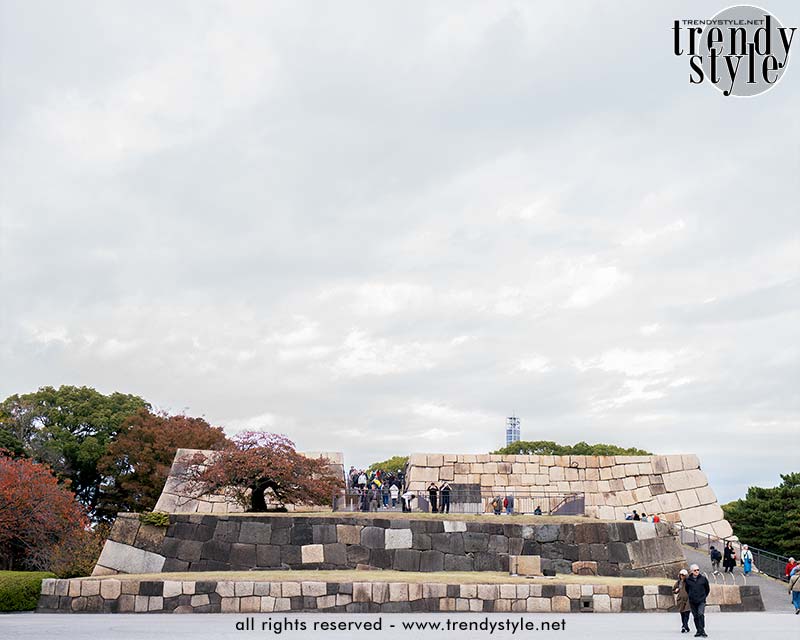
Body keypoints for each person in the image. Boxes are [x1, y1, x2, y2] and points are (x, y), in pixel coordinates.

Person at [685, 564, 710, 637]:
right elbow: (687, 589)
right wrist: (691, 595)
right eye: (695, 570)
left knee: (700, 614)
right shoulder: (688, 580)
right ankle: (698, 630)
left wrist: (704, 597)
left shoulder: (703, 579)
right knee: (695, 616)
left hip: (701, 600)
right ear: (692, 571)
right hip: (692, 601)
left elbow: (707, 589)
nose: (697, 571)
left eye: (698, 570)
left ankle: (702, 630)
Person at [673, 569, 691, 633]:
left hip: (688, 599)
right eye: (681, 575)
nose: (682, 576)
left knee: (687, 613)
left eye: (683, 575)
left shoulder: (689, 582)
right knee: (682, 614)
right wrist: (676, 591)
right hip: (680, 600)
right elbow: (674, 589)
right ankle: (685, 626)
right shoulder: (678, 582)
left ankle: (684, 625)